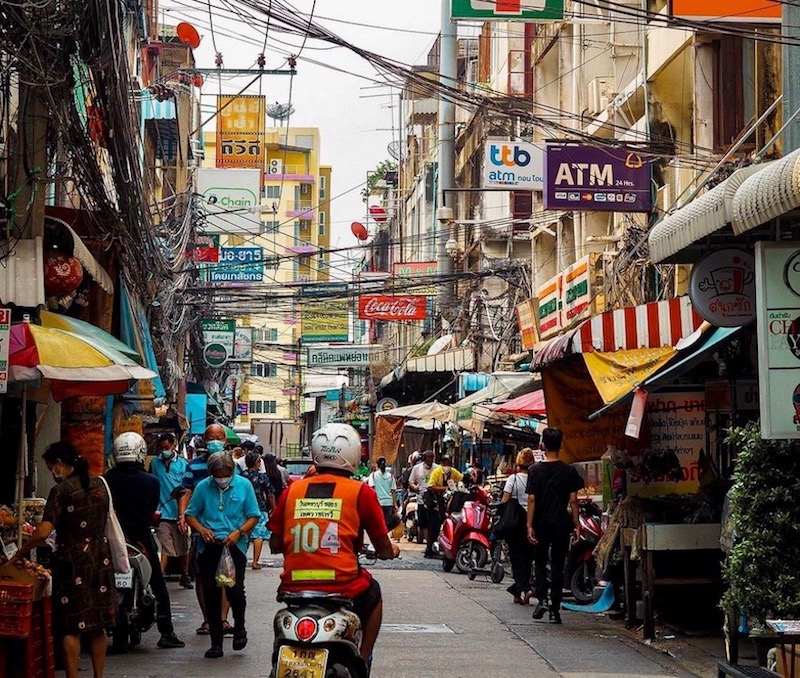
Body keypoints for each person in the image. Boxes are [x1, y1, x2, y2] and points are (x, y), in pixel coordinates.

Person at [268, 423, 400, 666]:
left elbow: (275, 543)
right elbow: (383, 546)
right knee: (374, 594)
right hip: (343, 584)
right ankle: (363, 657)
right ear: (353, 454)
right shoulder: (361, 492)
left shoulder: (292, 491)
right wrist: (390, 551)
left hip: (294, 585)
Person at [13, 442, 116, 678]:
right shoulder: (100, 483)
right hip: (101, 559)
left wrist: (21, 551)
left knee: (72, 626)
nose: (52, 471)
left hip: (73, 563)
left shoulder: (61, 491)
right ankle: (98, 676)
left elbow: (43, 532)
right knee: (97, 624)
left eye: (51, 466)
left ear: (59, 464)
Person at [104, 432, 184, 652]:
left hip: (112, 538)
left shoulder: (106, 479)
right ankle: (166, 632)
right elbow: (151, 511)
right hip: (140, 537)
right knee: (158, 583)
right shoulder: (151, 481)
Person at [185, 451, 260, 659]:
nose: (222, 478)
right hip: (209, 546)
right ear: (211, 473)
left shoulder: (244, 485)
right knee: (211, 593)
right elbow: (190, 514)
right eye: (218, 474)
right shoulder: (203, 487)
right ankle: (215, 642)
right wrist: (201, 530)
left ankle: (240, 628)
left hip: (235, 545)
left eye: (225, 473)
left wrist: (239, 532)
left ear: (233, 471)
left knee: (234, 590)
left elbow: (254, 515)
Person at [526, 428, 585, 624]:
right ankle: (555, 610)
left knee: (540, 562)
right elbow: (574, 501)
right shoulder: (569, 471)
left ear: (543, 445)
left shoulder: (534, 471)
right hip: (561, 524)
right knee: (559, 567)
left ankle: (542, 599)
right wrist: (576, 525)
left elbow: (532, 500)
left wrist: (529, 525)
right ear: (560, 445)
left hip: (541, 523)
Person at [178, 423, 232, 636]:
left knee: (227, 575)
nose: (215, 441)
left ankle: (222, 619)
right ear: (204, 440)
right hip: (202, 530)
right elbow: (186, 491)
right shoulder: (194, 467)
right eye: (211, 437)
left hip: (229, 531)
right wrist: (183, 516)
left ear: (225, 441)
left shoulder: (234, 468)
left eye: (219, 437)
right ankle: (208, 619)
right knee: (202, 575)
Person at [150, 432, 193, 589]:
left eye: (166, 448)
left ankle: (185, 575)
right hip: (162, 513)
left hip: (179, 514)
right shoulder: (155, 463)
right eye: (161, 448)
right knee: (165, 547)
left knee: (183, 548)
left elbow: (186, 490)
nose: (164, 451)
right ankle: (159, 578)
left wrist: (184, 514)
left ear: (174, 446)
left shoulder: (183, 464)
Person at [501, 448, 536, 606]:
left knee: (516, 558)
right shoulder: (534, 479)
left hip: (515, 523)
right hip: (531, 521)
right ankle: (518, 592)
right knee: (527, 557)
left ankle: (526, 588)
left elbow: (505, 500)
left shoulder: (513, 479)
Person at [241, 451, 276, 569]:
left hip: (243, 509)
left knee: (243, 534)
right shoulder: (262, 477)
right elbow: (270, 494)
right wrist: (274, 508)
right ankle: (255, 562)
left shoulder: (241, 476)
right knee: (258, 535)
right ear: (257, 463)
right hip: (259, 508)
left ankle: (241, 558)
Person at [426, 454, 463, 555]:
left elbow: (462, 478)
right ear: (441, 464)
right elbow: (430, 486)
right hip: (436, 502)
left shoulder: (453, 472)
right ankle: (430, 550)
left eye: (449, 463)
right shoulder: (437, 472)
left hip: (449, 502)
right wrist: (445, 488)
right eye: (445, 463)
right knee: (434, 526)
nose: (447, 466)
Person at [407, 449, 438, 558]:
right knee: (423, 523)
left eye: (431, 458)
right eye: (428, 458)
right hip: (421, 500)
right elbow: (411, 481)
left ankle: (431, 544)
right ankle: (429, 543)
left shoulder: (437, 468)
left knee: (433, 524)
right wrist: (415, 487)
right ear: (424, 458)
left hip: (434, 501)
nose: (430, 460)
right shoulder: (416, 468)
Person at [367, 456, 400, 533]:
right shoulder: (391, 476)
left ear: (376, 465)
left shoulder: (373, 475)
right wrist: (394, 504)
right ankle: (386, 537)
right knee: (387, 523)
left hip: (378, 503)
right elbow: (393, 492)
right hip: (389, 503)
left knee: (378, 523)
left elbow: (372, 489)